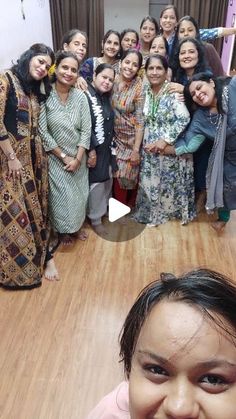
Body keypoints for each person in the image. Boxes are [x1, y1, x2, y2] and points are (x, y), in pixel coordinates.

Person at [87, 268, 236, 418]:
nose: (178, 409)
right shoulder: (110, 413)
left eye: (213, 379)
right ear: (129, 370)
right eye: (157, 370)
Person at [0, 43, 56, 289]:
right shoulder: (6, 80)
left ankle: (44, 258)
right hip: (10, 163)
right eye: (40, 61)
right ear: (29, 57)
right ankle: (17, 272)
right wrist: (11, 156)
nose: (43, 67)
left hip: (34, 161)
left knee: (36, 213)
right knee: (15, 215)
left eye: (47, 65)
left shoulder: (33, 88)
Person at [134, 55, 195, 227]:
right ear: (145, 72)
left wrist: (165, 140)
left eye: (158, 68)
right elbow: (144, 120)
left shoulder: (172, 91)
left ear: (166, 71)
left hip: (168, 145)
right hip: (150, 146)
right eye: (150, 69)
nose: (154, 72)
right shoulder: (146, 92)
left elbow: (184, 118)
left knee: (168, 182)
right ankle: (152, 213)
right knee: (151, 180)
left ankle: (168, 213)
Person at [172, 72, 236, 232]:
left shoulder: (231, 91)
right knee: (224, 185)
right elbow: (189, 144)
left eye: (199, 88)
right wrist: (165, 146)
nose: (198, 94)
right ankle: (223, 218)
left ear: (212, 83)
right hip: (229, 156)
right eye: (193, 94)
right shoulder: (201, 117)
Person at [39, 51, 91, 245]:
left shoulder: (81, 97)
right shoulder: (45, 94)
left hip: (79, 157)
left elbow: (86, 131)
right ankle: (62, 232)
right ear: (56, 68)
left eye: (73, 70)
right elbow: (43, 132)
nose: (69, 73)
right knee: (62, 197)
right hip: (56, 158)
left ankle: (76, 227)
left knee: (79, 195)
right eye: (65, 67)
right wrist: (64, 157)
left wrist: (77, 158)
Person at [85, 63, 117, 234]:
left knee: (106, 181)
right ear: (95, 75)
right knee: (96, 184)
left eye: (110, 80)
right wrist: (91, 150)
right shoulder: (86, 95)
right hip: (94, 150)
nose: (107, 82)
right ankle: (95, 219)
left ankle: (102, 212)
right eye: (104, 77)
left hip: (107, 149)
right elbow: (85, 125)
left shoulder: (105, 97)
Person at [112, 49, 144, 208]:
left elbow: (140, 120)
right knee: (116, 174)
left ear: (138, 69)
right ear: (120, 62)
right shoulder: (111, 79)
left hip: (131, 139)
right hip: (113, 138)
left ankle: (126, 207)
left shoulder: (139, 86)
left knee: (128, 175)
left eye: (134, 65)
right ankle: (120, 208)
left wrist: (136, 150)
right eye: (127, 62)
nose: (130, 67)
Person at [160, 4, 236, 56]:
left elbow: (214, 32)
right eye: (165, 17)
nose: (168, 20)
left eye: (172, 18)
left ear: (176, 21)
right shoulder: (156, 38)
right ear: (160, 20)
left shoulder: (182, 35)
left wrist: (234, 30)